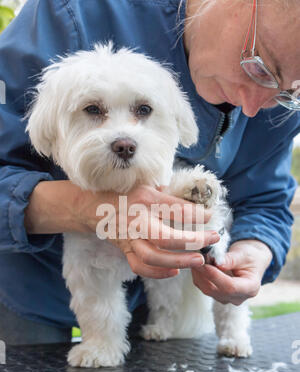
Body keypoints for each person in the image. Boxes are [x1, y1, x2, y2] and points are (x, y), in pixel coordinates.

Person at [0, 0, 299, 344]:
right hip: (29, 291)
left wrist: (254, 249)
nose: (252, 106)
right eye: (259, 67)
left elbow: (266, 199)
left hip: (160, 307)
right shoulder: (71, 14)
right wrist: (88, 209)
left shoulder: (281, 90)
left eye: (289, 94)